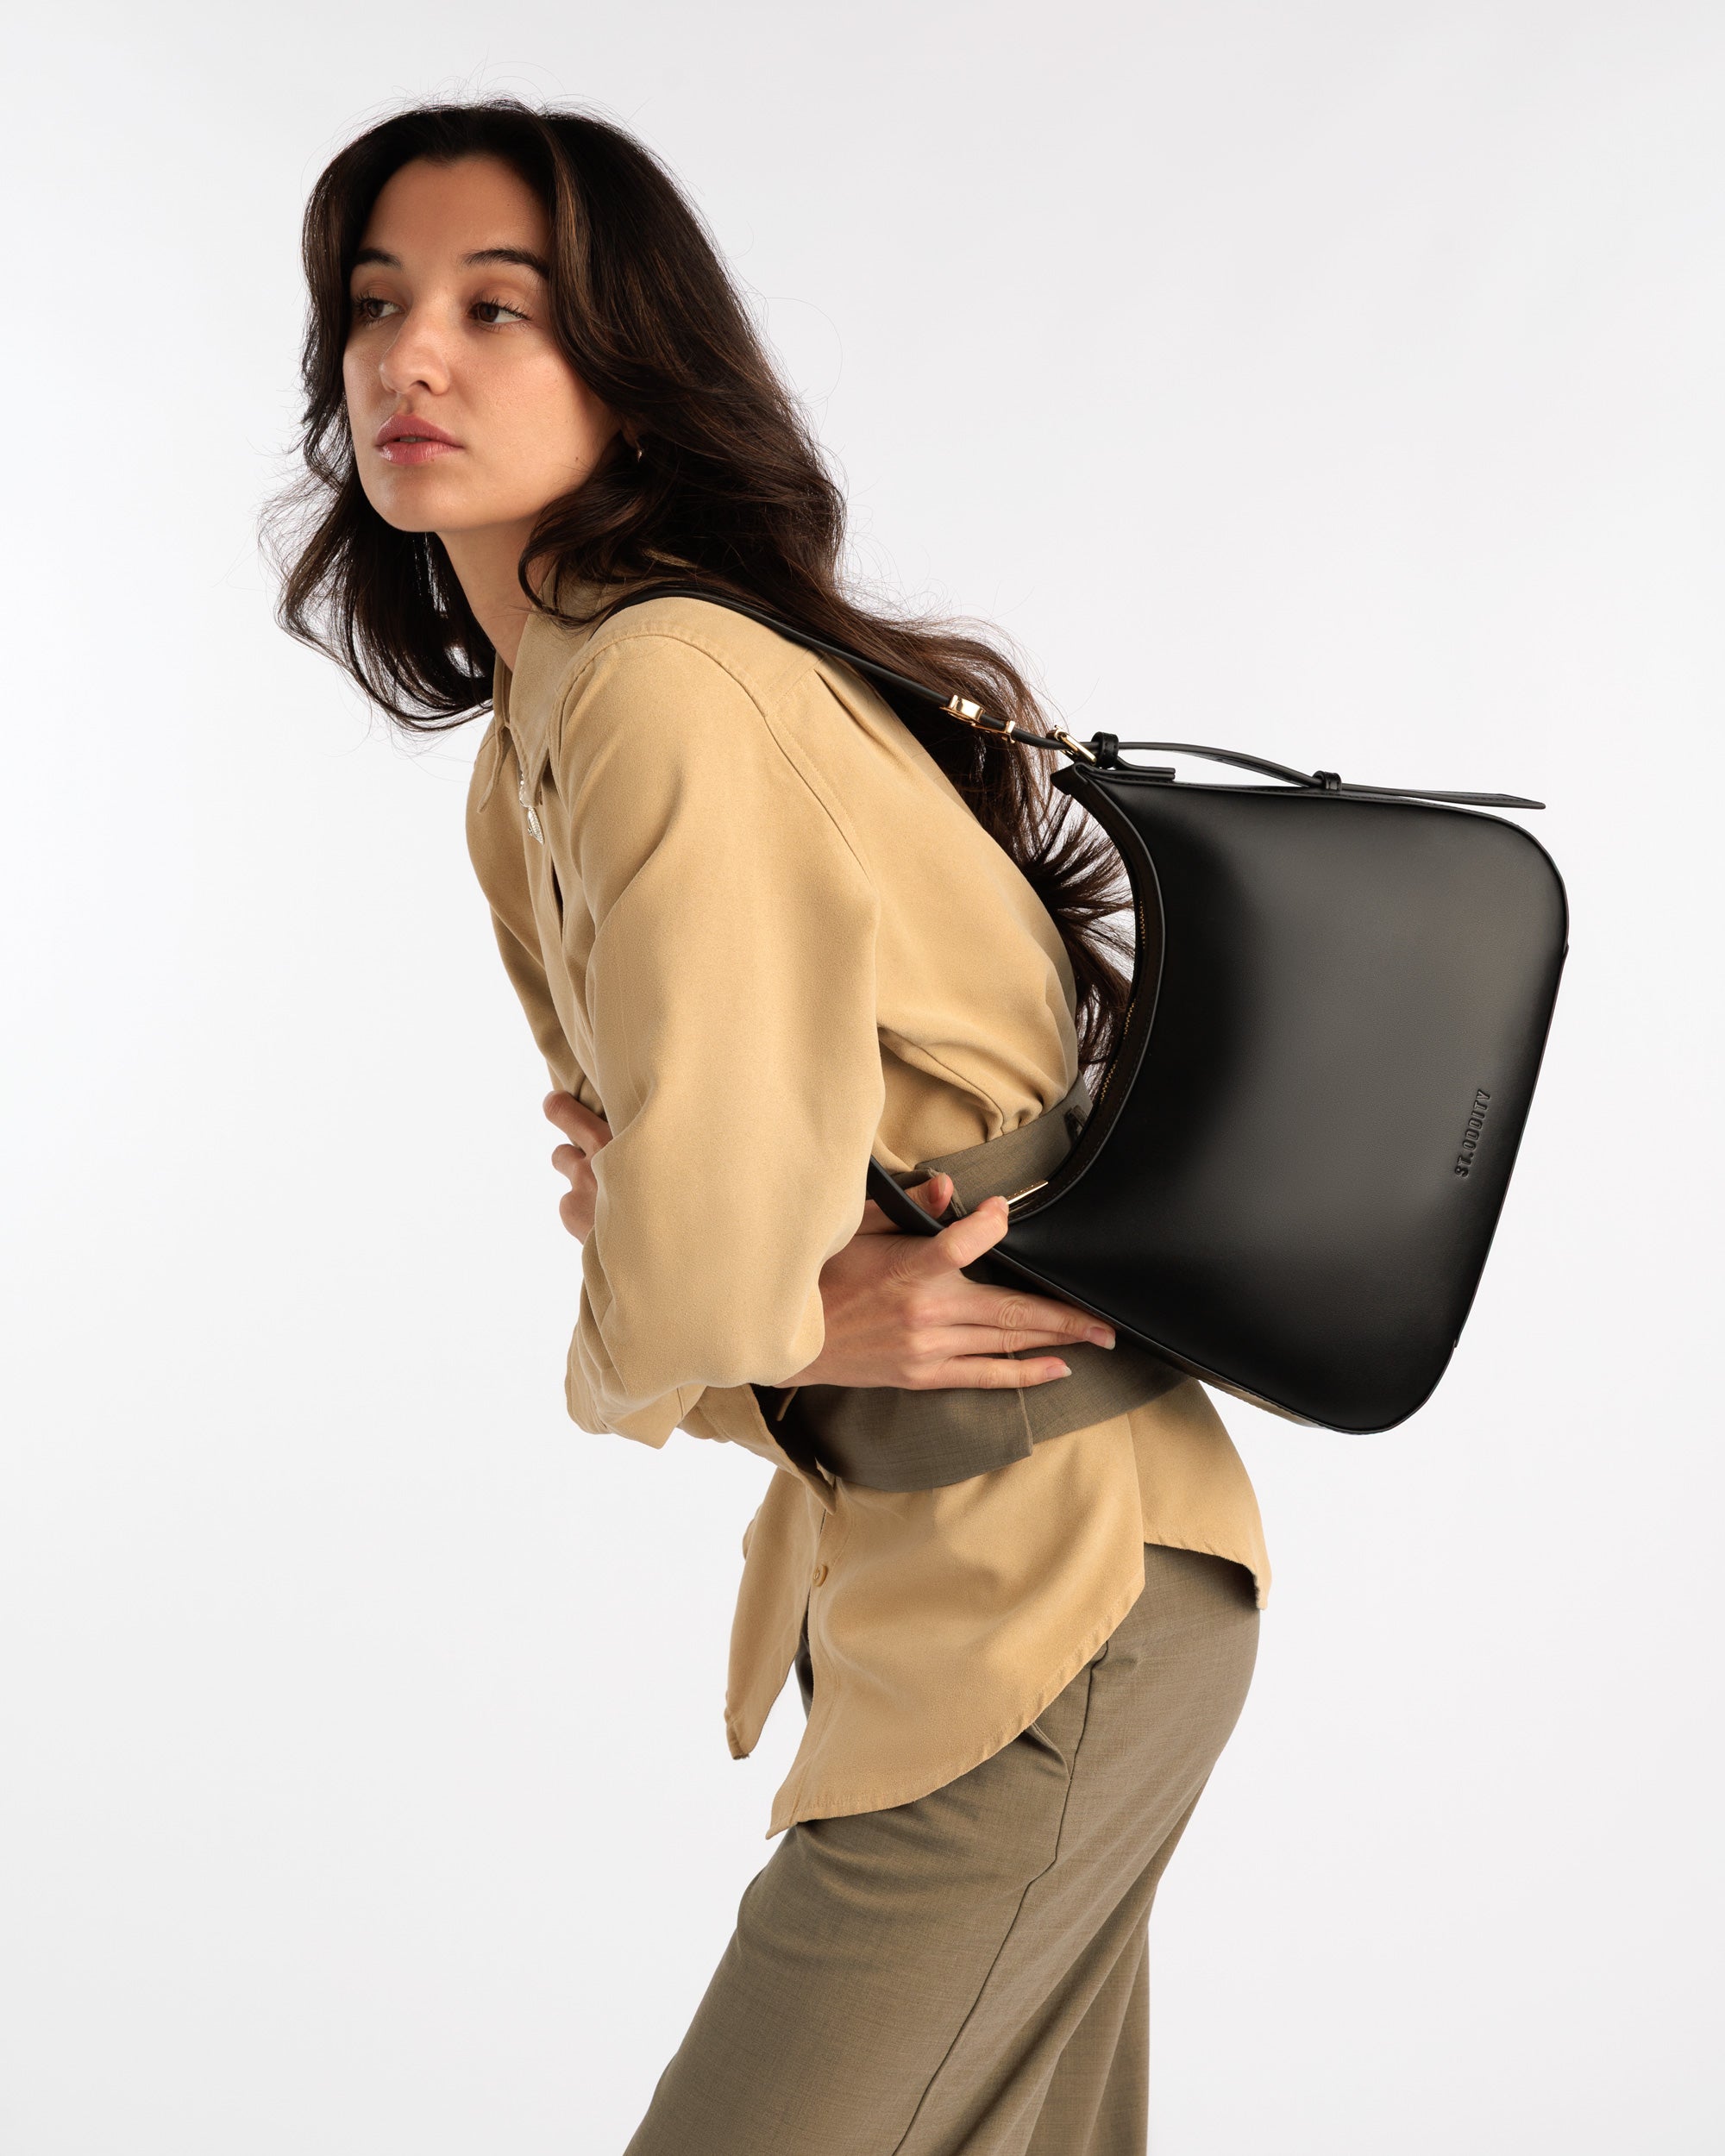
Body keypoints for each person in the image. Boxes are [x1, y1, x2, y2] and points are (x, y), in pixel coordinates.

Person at [272, 96, 1270, 2156]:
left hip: (1041, 1588)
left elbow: (701, 1269)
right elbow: (722, 1281)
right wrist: (735, 1303)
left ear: (628, 371)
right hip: (955, 1583)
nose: (411, 359)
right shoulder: (536, 748)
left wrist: (719, 1299)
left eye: (496, 308)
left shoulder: (663, 691)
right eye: (374, 305)